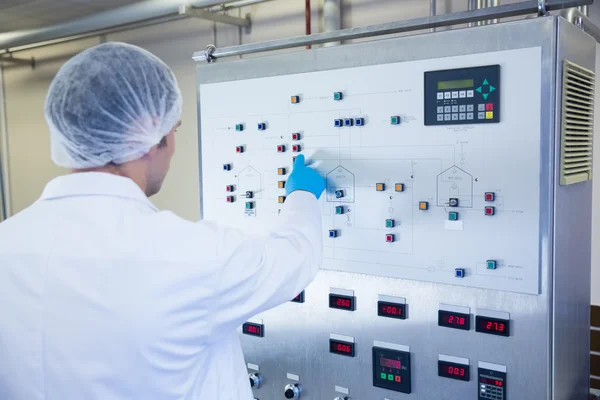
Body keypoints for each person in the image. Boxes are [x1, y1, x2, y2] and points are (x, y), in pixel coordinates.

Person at [0, 42, 325, 400]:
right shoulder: (188, 255)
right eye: (175, 130)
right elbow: (294, 259)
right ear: (149, 131)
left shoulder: (8, 243)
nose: (172, 147)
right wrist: (302, 196)